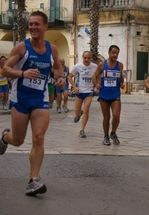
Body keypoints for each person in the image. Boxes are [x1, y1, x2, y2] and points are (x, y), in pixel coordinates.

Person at [0, 10, 66, 196]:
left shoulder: (51, 49)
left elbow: (57, 68)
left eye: (37, 24)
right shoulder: (22, 48)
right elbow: (5, 69)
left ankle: (33, 180)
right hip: (20, 99)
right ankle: (5, 137)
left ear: (45, 26)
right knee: (18, 140)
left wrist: (60, 78)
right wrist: (23, 74)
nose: (33, 27)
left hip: (40, 99)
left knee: (38, 138)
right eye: (31, 24)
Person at [92, 45, 124, 146]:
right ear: (109, 53)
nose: (115, 55)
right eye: (113, 52)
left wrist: (122, 83)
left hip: (115, 94)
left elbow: (121, 78)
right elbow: (94, 76)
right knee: (106, 117)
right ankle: (105, 136)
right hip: (104, 94)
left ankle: (113, 133)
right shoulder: (102, 64)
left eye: (117, 53)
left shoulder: (120, 65)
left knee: (116, 115)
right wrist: (96, 84)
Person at [69, 51, 97, 138]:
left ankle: (82, 130)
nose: (87, 60)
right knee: (77, 112)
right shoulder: (77, 67)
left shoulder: (94, 67)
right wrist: (74, 87)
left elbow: (98, 77)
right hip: (79, 91)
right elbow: (69, 76)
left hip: (89, 91)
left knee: (87, 109)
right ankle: (79, 113)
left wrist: (96, 86)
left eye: (88, 58)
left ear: (91, 58)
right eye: (85, 58)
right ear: (82, 57)